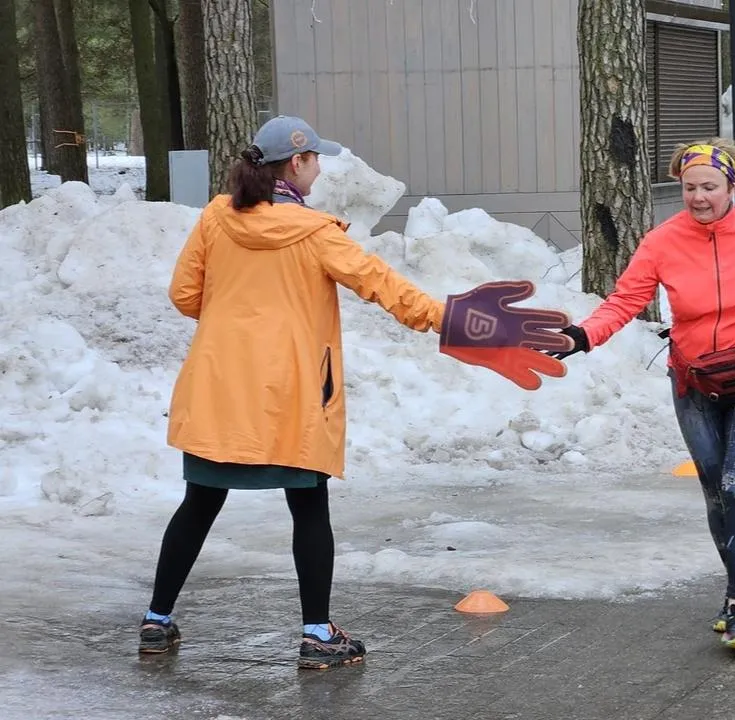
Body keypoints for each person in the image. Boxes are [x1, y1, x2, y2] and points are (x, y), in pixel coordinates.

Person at [140, 116, 570, 669]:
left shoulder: (214, 220)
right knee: (308, 507)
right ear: (296, 163)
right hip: (292, 393)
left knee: (199, 504)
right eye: (316, 158)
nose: (320, 167)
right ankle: (317, 635)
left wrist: (234, 320)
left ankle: (156, 622)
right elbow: (385, 288)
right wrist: (455, 321)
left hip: (218, 385)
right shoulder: (317, 233)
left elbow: (183, 294)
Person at [553, 138, 735, 652]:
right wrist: (581, 336)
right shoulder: (662, 241)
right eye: (690, 188)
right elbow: (624, 300)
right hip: (694, 385)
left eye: (709, 187)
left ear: (732, 186)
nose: (698, 197)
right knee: (717, 494)